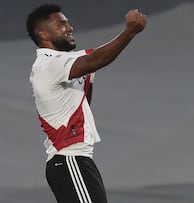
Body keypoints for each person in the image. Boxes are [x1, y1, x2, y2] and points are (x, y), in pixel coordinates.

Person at [26, 3, 147, 203]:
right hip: (69, 159)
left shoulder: (64, 60)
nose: (70, 27)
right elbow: (94, 61)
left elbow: (96, 55)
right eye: (61, 24)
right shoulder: (48, 65)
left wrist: (126, 35)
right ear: (44, 35)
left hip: (74, 162)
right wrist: (129, 32)